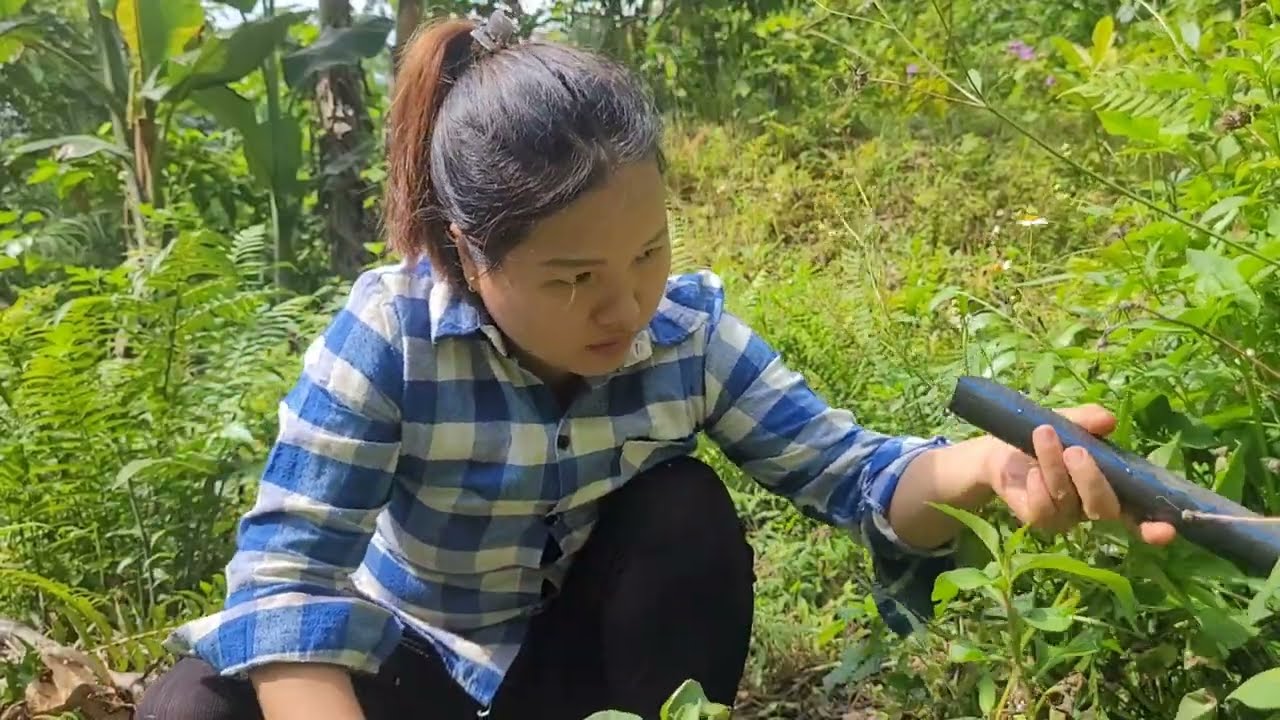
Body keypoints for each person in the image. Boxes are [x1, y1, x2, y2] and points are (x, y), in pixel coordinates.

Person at [135, 9, 1176, 720]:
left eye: (647, 253)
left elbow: (852, 474)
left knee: (681, 511)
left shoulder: (683, 335)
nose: (623, 304)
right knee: (189, 700)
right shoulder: (389, 338)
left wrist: (981, 472)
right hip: (415, 671)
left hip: (576, 681)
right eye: (572, 276)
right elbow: (287, 572)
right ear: (464, 254)